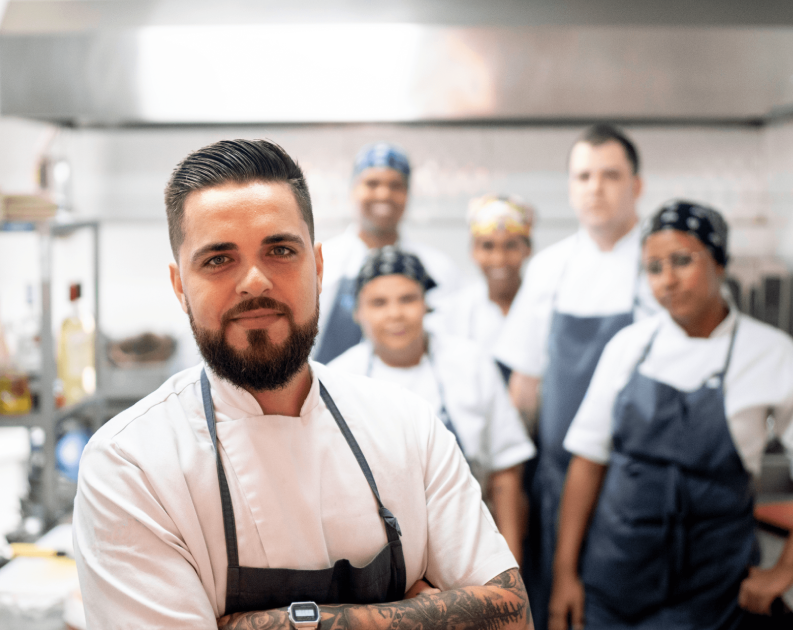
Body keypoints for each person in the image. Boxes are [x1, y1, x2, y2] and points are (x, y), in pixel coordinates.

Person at [72, 139, 532, 630]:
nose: (254, 281)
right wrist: (412, 614)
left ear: (317, 266)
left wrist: (265, 623)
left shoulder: (407, 425)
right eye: (218, 260)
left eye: (280, 250)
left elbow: (510, 615)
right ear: (179, 286)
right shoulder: (129, 466)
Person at [549, 201, 793, 630]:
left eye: (681, 261)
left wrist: (785, 571)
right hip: (615, 581)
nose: (667, 280)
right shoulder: (629, 346)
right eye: (653, 267)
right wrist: (564, 575)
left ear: (720, 263)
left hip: (712, 594)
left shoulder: (770, 354)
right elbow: (587, 463)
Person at [493, 124, 658, 629]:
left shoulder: (660, 266)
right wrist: (511, 482)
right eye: (583, 175)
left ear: (637, 186)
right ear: (570, 187)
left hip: (635, 482)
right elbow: (524, 386)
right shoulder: (550, 269)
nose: (595, 187)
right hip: (558, 480)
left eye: (610, 175)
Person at [329, 246, 536, 563]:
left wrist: (511, 566)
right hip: (380, 556)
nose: (395, 313)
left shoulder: (470, 363)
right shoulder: (339, 380)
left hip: (473, 544)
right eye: (379, 302)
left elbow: (506, 471)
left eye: (408, 299)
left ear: (426, 305)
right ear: (358, 311)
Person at [313, 142, 461, 364]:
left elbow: (451, 345)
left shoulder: (437, 270)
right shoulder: (322, 262)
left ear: (408, 194)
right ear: (353, 189)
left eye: (396, 185)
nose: (384, 194)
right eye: (372, 183)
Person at [433, 194, 534, 382]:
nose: (499, 259)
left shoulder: (543, 304)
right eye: (488, 246)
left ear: (527, 249)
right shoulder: (452, 312)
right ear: (473, 251)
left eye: (510, 246)